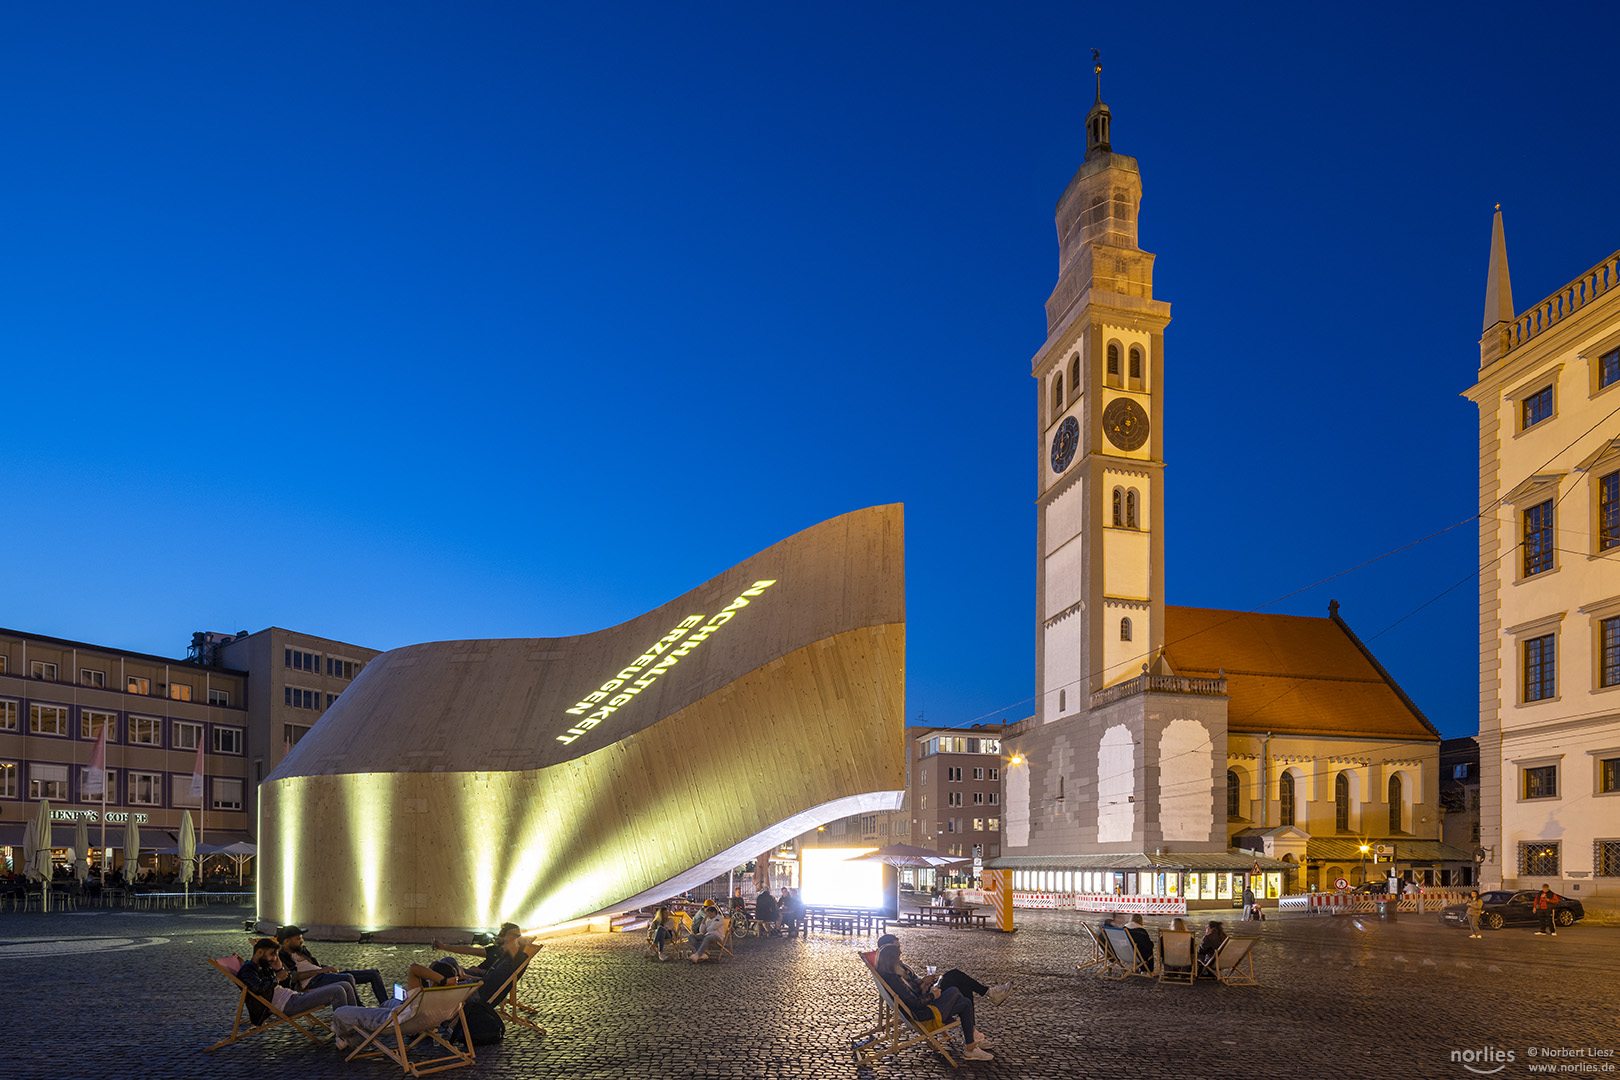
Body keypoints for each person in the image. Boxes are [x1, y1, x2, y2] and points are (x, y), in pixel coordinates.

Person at [874, 940, 994, 1061]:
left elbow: (911, 994)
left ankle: (971, 1047)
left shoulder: (892, 976)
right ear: (891, 960)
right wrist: (933, 996)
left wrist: (923, 986)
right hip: (924, 1015)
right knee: (954, 990)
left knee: (965, 1003)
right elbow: (915, 1003)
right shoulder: (895, 979)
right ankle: (972, 1043)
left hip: (923, 1008)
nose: (900, 957)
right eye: (897, 955)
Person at [235, 937, 358, 1028]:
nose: (274, 958)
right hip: (287, 1005)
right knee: (338, 991)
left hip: (294, 996)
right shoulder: (248, 971)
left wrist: (278, 969)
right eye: (272, 954)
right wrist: (276, 977)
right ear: (260, 952)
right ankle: (345, 1034)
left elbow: (285, 986)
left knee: (345, 985)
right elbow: (258, 988)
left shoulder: (263, 966)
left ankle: (355, 1023)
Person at [876, 933, 1010, 1006]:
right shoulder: (892, 971)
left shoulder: (895, 965)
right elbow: (910, 992)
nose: (900, 951)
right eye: (897, 948)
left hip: (927, 989)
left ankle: (973, 1032)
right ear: (889, 951)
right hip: (928, 996)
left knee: (963, 985)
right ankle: (989, 993)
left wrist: (924, 981)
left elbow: (911, 985)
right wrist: (924, 983)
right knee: (955, 975)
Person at [278, 925, 388, 1006]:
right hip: (311, 982)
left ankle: (386, 1005)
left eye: (301, 938)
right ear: (287, 941)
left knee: (374, 973)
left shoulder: (301, 950)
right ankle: (359, 1010)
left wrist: (327, 968)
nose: (302, 941)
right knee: (347, 978)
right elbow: (293, 977)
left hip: (324, 975)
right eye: (298, 939)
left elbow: (315, 965)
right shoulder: (280, 957)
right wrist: (321, 971)